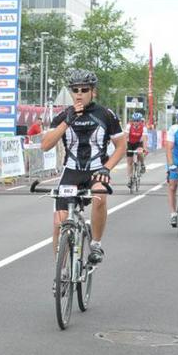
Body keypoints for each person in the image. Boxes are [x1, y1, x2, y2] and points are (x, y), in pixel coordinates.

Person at [41, 69, 127, 265]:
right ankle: (62, 271)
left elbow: (121, 147)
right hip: (71, 172)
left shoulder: (106, 115)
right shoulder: (63, 116)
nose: (79, 94)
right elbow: (45, 145)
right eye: (75, 90)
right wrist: (67, 122)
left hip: (97, 170)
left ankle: (96, 244)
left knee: (99, 195)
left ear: (93, 92)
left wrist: (106, 168)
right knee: (59, 223)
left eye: (84, 90)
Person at [126, 112, 148, 181]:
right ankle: (130, 179)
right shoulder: (129, 126)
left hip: (138, 143)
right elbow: (125, 137)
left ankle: (142, 164)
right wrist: (124, 147)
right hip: (130, 143)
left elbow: (144, 139)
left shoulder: (144, 128)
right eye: (134, 120)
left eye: (137, 121)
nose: (136, 122)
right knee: (129, 162)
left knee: (140, 152)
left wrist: (145, 148)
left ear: (140, 121)